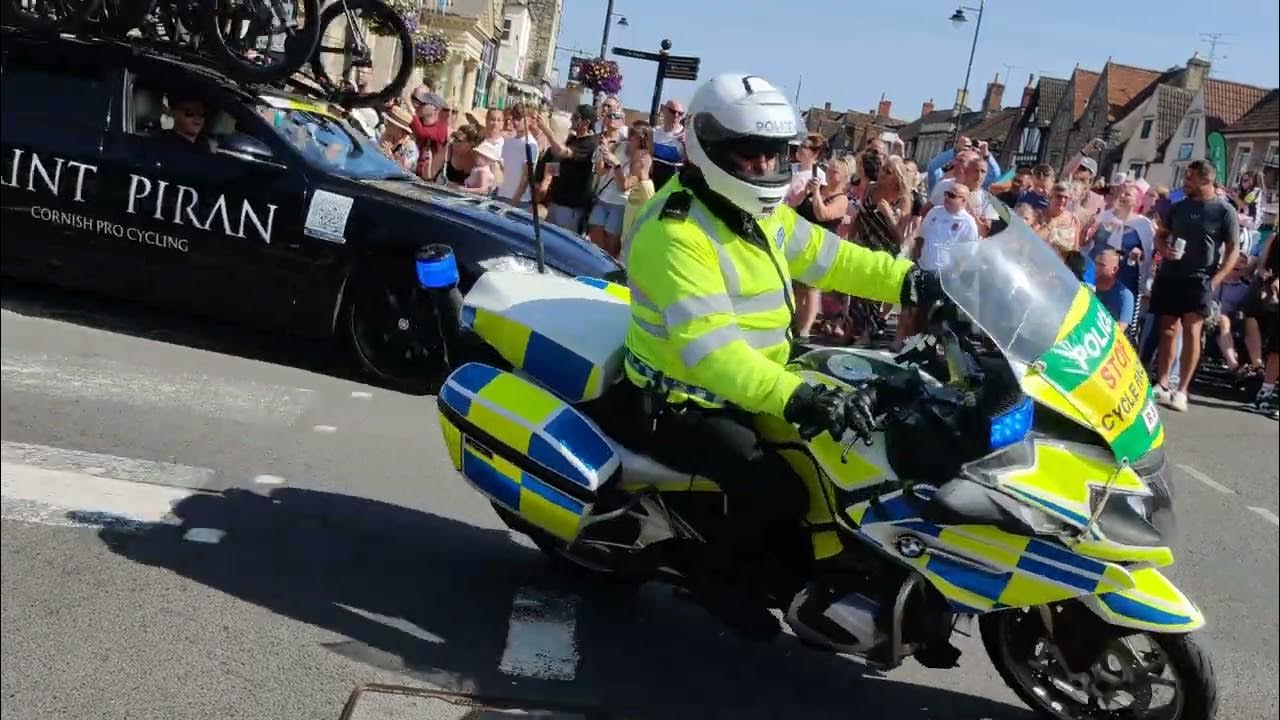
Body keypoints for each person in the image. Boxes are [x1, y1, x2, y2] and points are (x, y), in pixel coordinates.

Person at [620, 74, 939, 641]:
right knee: (775, 486)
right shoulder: (677, 234)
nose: (766, 167)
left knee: (869, 448)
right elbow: (712, 356)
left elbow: (832, 258)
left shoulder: (757, 212)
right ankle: (724, 582)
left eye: (775, 154)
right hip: (684, 397)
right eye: (751, 154)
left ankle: (849, 569)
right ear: (709, 149)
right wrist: (802, 396)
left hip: (763, 378)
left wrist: (918, 284)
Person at [1150, 160, 1242, 412]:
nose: (1185, 182)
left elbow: (1234, 250)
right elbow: (1161, 233)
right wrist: (1163, 249)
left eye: (1190, 178)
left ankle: (1182, 391)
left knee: (1192, 331)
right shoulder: (1178, 207)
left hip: (1200, 278)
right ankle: (1163, 383)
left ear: (1206, 180)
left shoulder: (1224, 211)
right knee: (1168, 329)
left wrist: (1216, 279)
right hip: (1171, 274)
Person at [536, 104, 599, 233]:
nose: (572, 120)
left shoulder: (590, 143)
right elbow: (557, 157)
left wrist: (546, 130)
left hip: (570, 207)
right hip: (556, 201)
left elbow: (563, 152)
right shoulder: (572, 139)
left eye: (576, 117)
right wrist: (547, 181)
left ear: (586, 122)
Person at [496, 103, 538, 209]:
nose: (515, 122)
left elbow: (526, 177)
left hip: (519, 201)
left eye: (519, 118)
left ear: (530, 119)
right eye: (514, 117)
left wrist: (512, 205)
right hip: (501, 194)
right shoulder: (508, 141)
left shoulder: (531, 145)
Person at [1094, 249, 1136, 335]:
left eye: (1101, 265)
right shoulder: (1086, 286)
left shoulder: (1125, 296)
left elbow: (1121, 329)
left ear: (1114, 269)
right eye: (1095, 263)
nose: (1096, 268)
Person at [651, 99, 686, 190]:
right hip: (651, 183)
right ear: (663, 110)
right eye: (673, 111)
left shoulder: (686, 136)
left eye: (680, 113)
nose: (676, 116)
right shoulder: (654, 132)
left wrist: (686, 146)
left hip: (670, 186)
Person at [377, 103, 419, 173]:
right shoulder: (385, 136)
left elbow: (404, 172)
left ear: (397, 128)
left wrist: (390, 157)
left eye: (389, 123)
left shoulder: (410, 148)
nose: (386, 124)